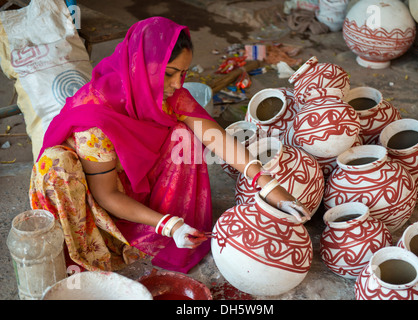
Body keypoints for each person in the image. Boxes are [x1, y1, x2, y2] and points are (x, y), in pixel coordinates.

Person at [29, 17, 310, 274]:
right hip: (92, 195)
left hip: (128, 174)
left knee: (184, 137)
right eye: (169, 73)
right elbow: (107, 195)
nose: (177, 84)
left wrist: (269, 185)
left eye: (182, 74)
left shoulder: (159, 93)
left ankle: (164, 222)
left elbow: (214, 136)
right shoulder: (95, 117)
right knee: (56, 165)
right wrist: (169, 225)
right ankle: (141, 230)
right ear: (139, 65)